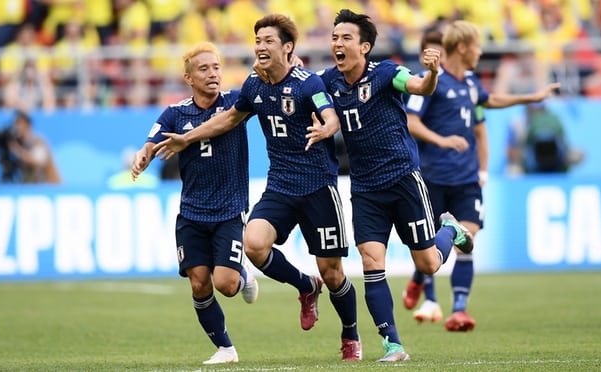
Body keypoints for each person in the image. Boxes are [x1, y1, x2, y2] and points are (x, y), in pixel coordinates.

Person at [153, 14, 362, 361]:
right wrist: (186, 138)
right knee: (253, 244)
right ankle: (305, 286)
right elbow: (229, 118)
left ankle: (350, 335)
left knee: (333, 271)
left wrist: (328, 127)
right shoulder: (254, 86)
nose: (260, 47)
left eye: (268, 41)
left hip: (318, 187)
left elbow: (330, 114)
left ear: (288, 47)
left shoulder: (308, 83)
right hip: (280, 185)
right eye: (258, 41)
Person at [317, 9, 472, 362]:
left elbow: (419, 85)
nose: (337, 44)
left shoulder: (386, 73)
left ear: (365, 46)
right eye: (334, 37)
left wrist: (432, 72)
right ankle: (393, 345)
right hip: (366, 188)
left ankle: (448, 228)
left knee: (430, 263)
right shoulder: (329, 81)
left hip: (403, 180)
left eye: (345, 38)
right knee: (372, 262)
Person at [402, 22, 560, 332]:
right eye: (477, 45)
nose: (481, 51)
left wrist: (532, 97)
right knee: (430, 246)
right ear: (462, 47)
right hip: (432, 178)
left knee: (467, 239)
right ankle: (422, 281)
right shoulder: (433, 82)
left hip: (465, 180)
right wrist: (442, 140)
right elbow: (411, 121)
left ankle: (459, 310)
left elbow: (492, 101)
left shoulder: (471, 83)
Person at [130, 41, 259, 365]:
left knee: (226, 285)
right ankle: (226, 349)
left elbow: (267, 88)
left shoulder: (235, 103)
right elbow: (151, 141)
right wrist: (142, 156)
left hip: (229, 209)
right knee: (199, 283)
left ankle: (243, 274)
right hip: (191, 213)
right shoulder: (175, 113)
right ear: (188, 77)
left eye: (216, 67)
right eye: (204, 69)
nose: (213, 74)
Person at [0, 110, 61, 184]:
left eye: (19, 124)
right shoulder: (20, 144)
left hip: (48, 188)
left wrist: (15, 149)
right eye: (15, 125)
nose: (16, 128)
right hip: (31, 187)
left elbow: (37, 160)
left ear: (28, 125)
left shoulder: (38, 141)